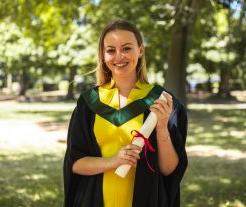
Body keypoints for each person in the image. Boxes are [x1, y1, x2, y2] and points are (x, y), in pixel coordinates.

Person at [63, 19, 188, 207]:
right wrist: (113, 161)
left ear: (141, 50)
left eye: (127, 48)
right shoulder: (89, 103)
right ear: (103, 55)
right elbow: (75, 164)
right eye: (111, 50)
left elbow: (169, 170)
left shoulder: (161, 101)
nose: (119, 56)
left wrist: (162, 127)